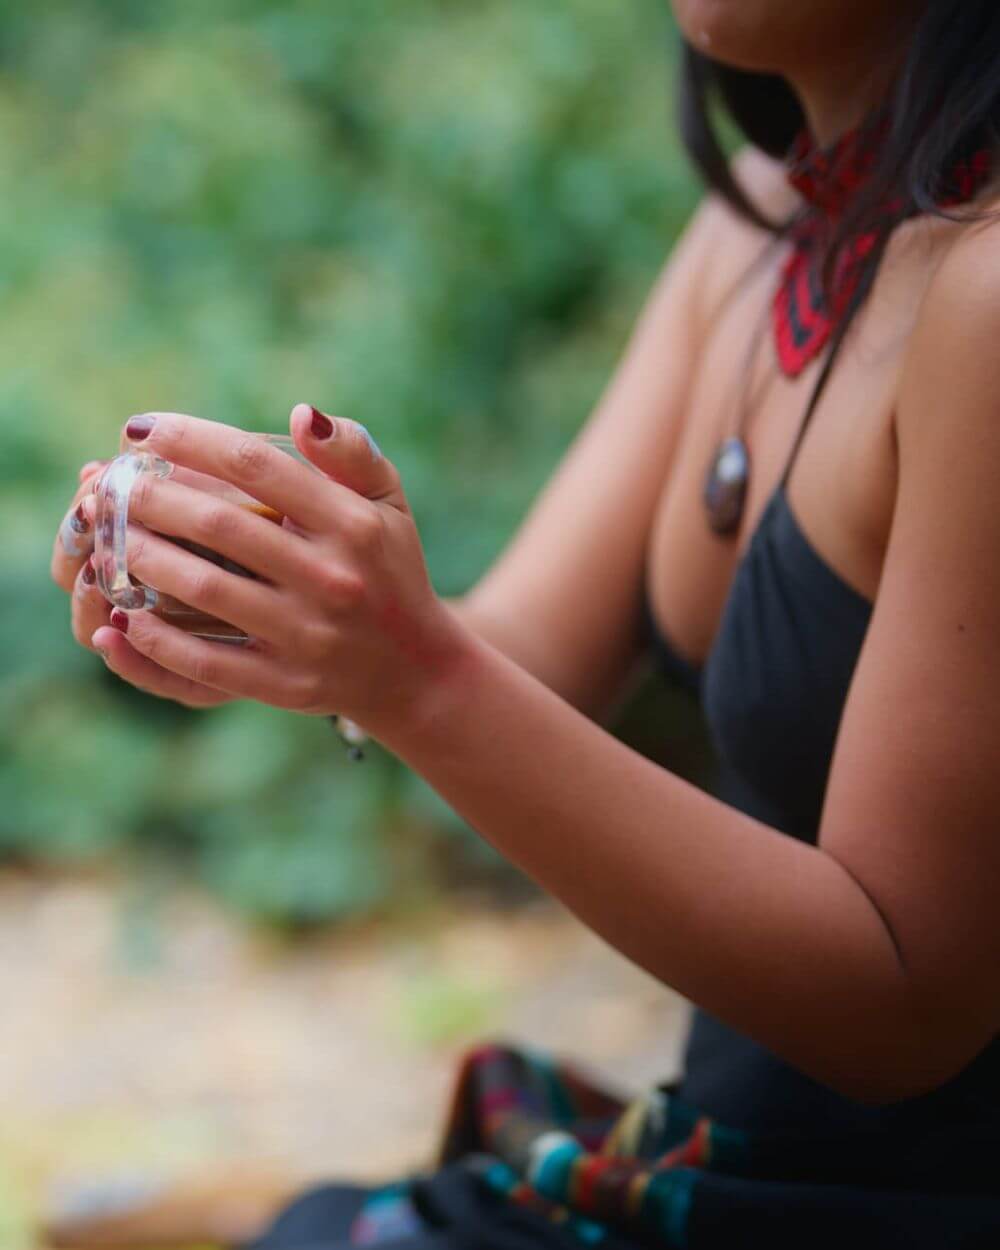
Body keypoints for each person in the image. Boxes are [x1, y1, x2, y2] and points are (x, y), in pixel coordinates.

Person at [50, 1, 1000, 1245]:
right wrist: (271, 594)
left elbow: (904, 1005)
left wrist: (412, 673)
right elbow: (526, 649)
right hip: (710, 1147)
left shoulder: (985, 293)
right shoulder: (761, 227)